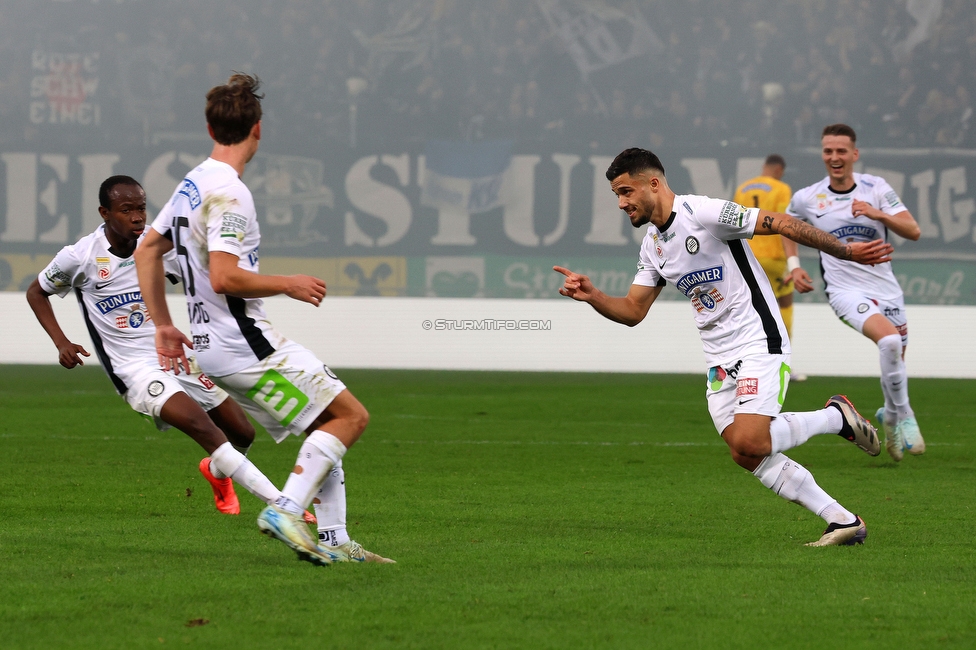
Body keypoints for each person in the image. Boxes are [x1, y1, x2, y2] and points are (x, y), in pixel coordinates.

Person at [555, 148, 892, 546]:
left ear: (654, 183)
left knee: (752, 440)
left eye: (626, 191)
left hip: (757, 338)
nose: (621, 202)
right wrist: (594, 296)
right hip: (717, 357)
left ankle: (835, 418)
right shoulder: (651, 247)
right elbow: (632, 310)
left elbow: (781, 222)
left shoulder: (704, 213)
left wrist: (846, 250)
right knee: (744, 453)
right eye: (616, 194)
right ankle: (841, 520)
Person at [135, 73, 392, 566]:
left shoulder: (192, 182)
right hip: (244, 342)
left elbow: (149, 248)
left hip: (214, 345)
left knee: (324, 424)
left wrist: (162, 324)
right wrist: (288, 282)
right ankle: (286, 510)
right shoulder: (230, 195)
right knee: (351, 416)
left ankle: (336, 542)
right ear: (257, 129)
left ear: (210, 129)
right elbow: (226, 276)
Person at [26, 175, 291, 519]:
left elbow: (205, 282)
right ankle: (284, 505)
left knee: (242, 433)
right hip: (133, 369)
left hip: (174, 355)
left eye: (141, 207)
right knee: (203, 428)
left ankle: (216, 472)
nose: (137, 216)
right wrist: (61, 342)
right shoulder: (80, 256)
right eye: (126, 210)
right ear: (104, 213)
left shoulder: (157, 246)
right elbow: (37, 292)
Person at [784, 124, 924, 462]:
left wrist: (877, 213)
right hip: (844, 290)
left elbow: (913, 230)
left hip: (886, 289)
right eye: (828, 151)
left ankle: (889, 416)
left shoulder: (877, 188)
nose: (834, 157)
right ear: (823, 155)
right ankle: (905, 418)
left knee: (897, 362)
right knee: (889, 342)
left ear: (854, 155)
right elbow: (786, 224)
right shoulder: (809, 197)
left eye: (841, 151)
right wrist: (794, 265)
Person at [733, 155, 805, 380]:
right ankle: (782, 363)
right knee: (784, 304)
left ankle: (739, 365)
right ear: (780, 170)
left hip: (746, 258)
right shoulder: (782, 188)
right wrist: (794, 263)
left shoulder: (742, 188)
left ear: (764, 168)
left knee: (747, 311)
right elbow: (785, 222)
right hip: (774, 259)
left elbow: (734, 223)